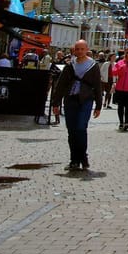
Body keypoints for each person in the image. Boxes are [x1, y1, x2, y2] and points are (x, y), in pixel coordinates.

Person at [50, 40, 101, 171]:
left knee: (80, 128)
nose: (79, 51)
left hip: (85, 100)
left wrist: (99, 106)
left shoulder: (93, 65)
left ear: (86, 49)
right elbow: (61, 85)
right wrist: (55, 103)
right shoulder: (69, 65)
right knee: (71, 131)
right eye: (77, 49)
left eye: (82, 49)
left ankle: (83, 157)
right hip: (70, 99)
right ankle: (74, 159)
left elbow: (97, 86)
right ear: (74, 50)